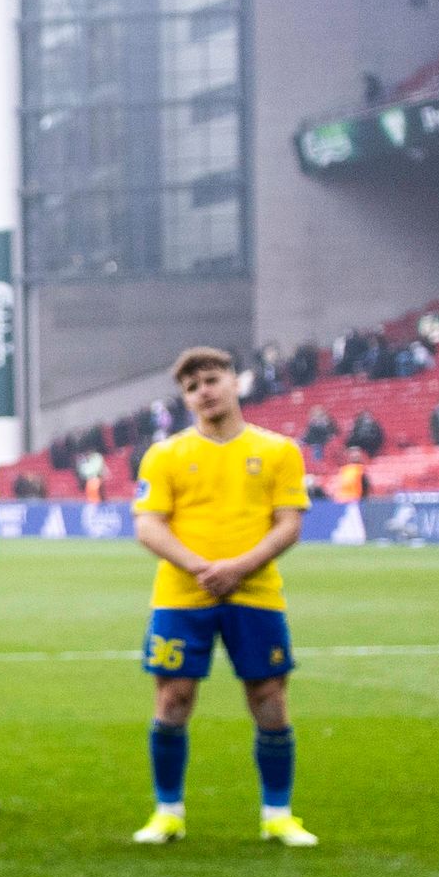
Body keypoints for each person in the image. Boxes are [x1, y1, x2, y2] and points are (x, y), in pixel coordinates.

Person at [130, 345, 314, 847]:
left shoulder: (278, 451)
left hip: (255, 594)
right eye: (192, 388)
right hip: (181, 597)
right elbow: (148, 525)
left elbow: (289, 522)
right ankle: (168, 812)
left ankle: (278, 815)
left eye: (211, 380)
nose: (203, 392)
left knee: (269, 700)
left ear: (236, 382)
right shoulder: (166, 454)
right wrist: (199, 567)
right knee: (173, 698)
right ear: (185, 401)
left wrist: (239, 567)